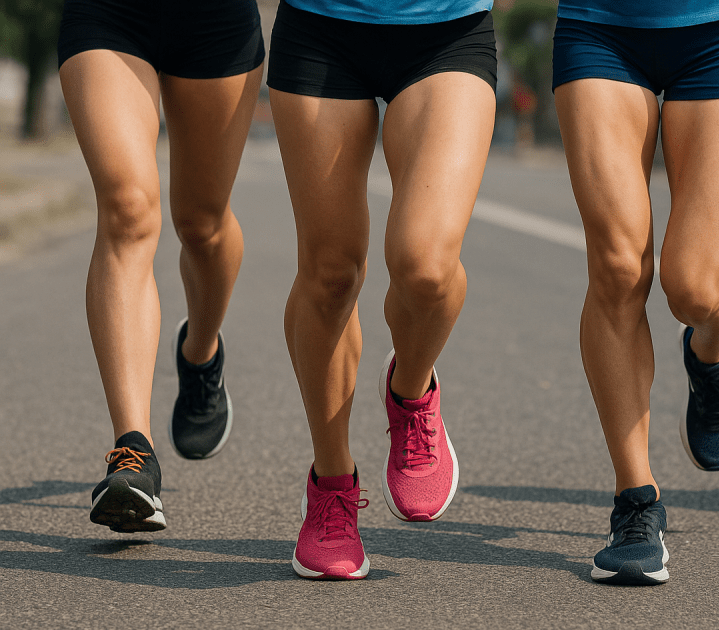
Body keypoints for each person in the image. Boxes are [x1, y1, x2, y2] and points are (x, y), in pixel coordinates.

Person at [267, 0, 496, 579]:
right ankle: (332, 483)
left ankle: (411, 391)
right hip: (321, 26)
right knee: (330, 272)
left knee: (427, 267)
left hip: (447, 29)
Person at [553, 0, 719, 584]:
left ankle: (712, 352)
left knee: (696, 288)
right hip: (599, 23)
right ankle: (636, 502)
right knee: (618, 267)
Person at [58, 0, 265, 532]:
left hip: (215, 21)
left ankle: (201, 352)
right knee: (128, 209)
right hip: (106, 13)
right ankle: (133, 453)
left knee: (202, 223)